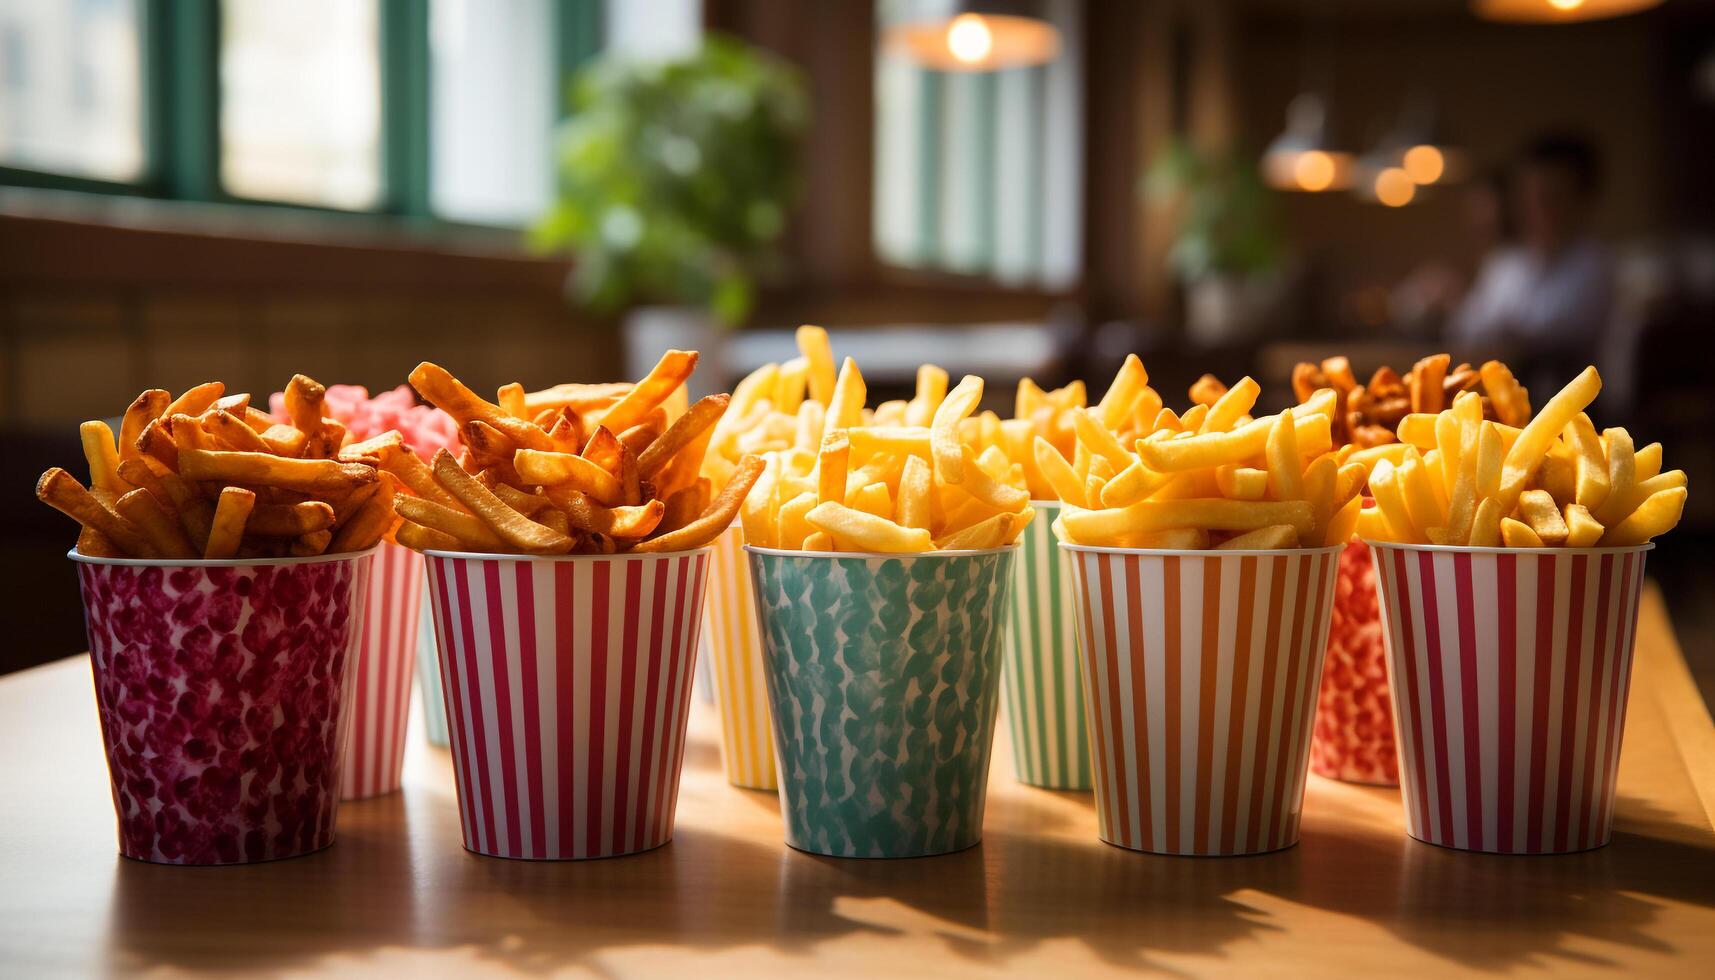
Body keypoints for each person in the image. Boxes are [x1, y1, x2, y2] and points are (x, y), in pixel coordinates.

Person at [1448, 133, 1615, 388]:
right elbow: (1465, 329)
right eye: (1530, 195)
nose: (1537, 208)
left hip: (1569, 405)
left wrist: (1500, 328)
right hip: (1500, 397)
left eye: (1551, 196)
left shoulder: (1595, 264)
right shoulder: (1505, 263)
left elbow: (1553, 334)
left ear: (1582, 199)